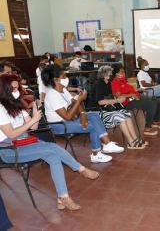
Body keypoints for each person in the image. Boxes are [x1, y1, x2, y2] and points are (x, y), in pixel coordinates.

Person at [0, 74, 99, 211]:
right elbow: (10, 134)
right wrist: (33, 120)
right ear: (4, 90)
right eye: (13, 89)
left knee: (53, 156)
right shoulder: (1, 108)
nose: (16, 92)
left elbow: (33, 128)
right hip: (9, 149)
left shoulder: (18, 105)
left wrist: (34, 111)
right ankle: (80, 169)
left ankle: (62, 198)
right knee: (52, 148)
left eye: (17, 88)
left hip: (25, 142)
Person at [41, 65, 124, 163]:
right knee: (93, 126)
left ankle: (106, 144)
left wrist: (83, 114)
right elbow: (67, 116)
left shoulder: (63, 90)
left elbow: (74, 103)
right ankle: (97, 153)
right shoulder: (52, 95)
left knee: (94, 115)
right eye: (63, 76)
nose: (66, 78)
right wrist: (79, 99)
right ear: (56, 80)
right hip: (59, 125)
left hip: (70, 120)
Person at [92, 66, 147, 149]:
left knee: (127, 114)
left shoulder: (107, 84)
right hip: (98, 112)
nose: (112, 75)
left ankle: (135, 139)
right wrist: (117, 101)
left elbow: (111, 97)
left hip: (108, 109)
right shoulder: (99, 84)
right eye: (110, 74)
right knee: (120, 117)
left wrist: (118, 99)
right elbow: (100, 102)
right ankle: (130, 141)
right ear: (105, 75)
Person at [111, 67, 160, 136]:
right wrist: (131, 95)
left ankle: (155, 121)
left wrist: (139, 89)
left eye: (124, 72)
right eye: (122, 72)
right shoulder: (115, 83)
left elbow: (129, 89)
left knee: (156, 100)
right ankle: (147, 128)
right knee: (151, 104)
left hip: (135, 97)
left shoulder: (123, 81)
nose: (124, 73)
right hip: (127, 102)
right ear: (116, 74)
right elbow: (118, 96)